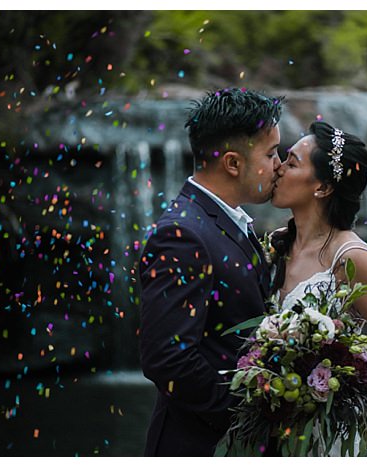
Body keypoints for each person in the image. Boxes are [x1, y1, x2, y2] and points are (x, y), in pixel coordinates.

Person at [138, 88, 285, 456]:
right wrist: (250, 417)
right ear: (233, 164)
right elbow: (168, 359)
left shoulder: (222, 221)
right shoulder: (183, 234)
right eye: (270, 154)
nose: (279, 165)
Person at [269, 122, 367, 456]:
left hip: (329, 434)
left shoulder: (350, 256)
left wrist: (338, 383)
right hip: (275, 430)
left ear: (322, 187)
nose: (277, 168)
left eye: (291, 163)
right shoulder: (276, 245)